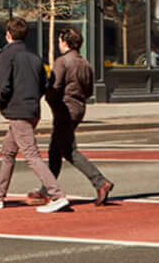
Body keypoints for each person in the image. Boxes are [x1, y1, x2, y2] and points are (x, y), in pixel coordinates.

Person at [0, 17, 69, 213]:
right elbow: (44, 84)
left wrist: (2, 102)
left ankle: (56, 194)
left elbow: (3, 85)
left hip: (17, 110)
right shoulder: (34, 56)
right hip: (32, 110)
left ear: (8, 34)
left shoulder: (7, 55)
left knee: (31, 154)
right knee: (8, 151)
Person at [45, 28, 115, 205]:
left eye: (60, 40)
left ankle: (100, 182)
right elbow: (89, 90)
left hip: (64, 108)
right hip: (79, 107)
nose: (59, 44)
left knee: (68, 150)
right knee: (56, 149)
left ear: (65, 43)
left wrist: (49, 99)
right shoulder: (85, 63)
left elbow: (55, 86)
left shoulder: (62, 62)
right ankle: (46, 188)